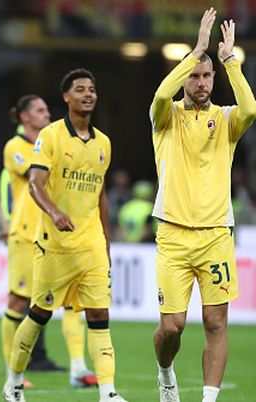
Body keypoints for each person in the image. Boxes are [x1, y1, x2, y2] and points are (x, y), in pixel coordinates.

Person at [3, 68, 127, 402]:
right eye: (81, 89)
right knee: (39, 314)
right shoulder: (51, 136)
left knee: (99, 315)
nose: (89, 94)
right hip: (55, 247)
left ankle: (108, 391)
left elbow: (99, 194)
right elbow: (34, 184)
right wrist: (55, 212)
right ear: (67, 97)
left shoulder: (104, 143)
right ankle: (13, 379)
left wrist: (106, 239)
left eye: (93, 89)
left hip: (91, 246)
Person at [150, 8, 255, 402]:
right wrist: (197, 51)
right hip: (174, 235)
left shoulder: (226, 119)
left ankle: (208, 400)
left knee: (215, 322)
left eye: (206, 75)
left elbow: (251, 110)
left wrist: (229, 62)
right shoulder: (166, 117)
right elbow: (162, 93)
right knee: (173, 327)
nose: (200, 82)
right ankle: (165, 371)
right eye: (195, 75)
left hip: (215, 237)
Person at [0, 95, 97, 389]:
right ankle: (12, 372)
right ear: (25, 117)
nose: (47, 114)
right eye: (40, 111)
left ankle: (78, 369)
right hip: (26, 235)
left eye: (46, 110)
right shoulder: (15, 147)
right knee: (19, 301)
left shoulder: (54, 142)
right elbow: (40, 172)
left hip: (56, 234)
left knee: (71, 301)